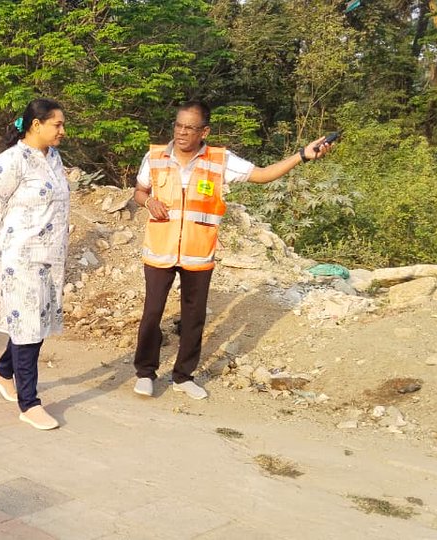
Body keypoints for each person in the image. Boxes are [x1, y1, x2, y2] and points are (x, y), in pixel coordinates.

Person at [131, 101, 334, 400]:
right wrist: (148, 202)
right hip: (160, 250)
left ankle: (183, 376)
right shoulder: (155, 156)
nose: (182, 132)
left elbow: (263, 174)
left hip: (198, 252)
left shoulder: (219, 160)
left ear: (204, 131)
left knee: (194, 316)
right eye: (179, 125)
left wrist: (301, 156)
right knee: (152, 313)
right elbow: (139, 190)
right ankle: (145, 373)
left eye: (190, 127)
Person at [0, 98, 69, 431]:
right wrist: (0, 233)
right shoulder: (10, 161)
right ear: (36, 125)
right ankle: (29, 402)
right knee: (29, 324)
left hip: (49, 256)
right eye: (57, 124)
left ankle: (3, 371)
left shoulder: (54, 159)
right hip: (19, 256)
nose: (62, 130)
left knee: (36, 321)